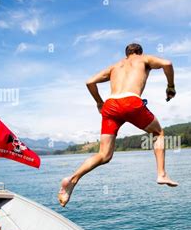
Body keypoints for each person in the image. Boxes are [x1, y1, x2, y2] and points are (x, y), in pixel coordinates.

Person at [58, 43, 178, 207]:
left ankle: (72, 180)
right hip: (131, 102)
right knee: (158, 133)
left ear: (126, 54)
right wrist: (170, 86)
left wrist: (99, 103)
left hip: (111, 105)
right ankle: (161, 174)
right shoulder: (144, 59)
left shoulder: (115, 67)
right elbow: (168, 64)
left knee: (104, 155)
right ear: (139, 52)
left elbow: (89, 82)